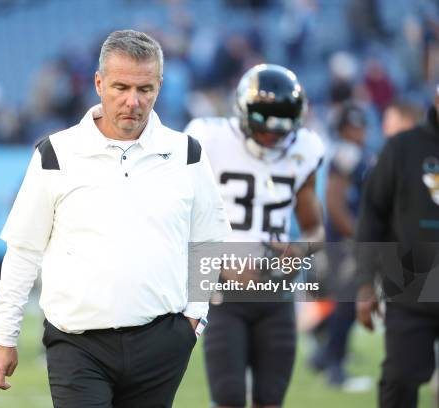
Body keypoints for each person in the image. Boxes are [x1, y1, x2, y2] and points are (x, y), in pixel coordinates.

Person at [0, 29, 231, 407]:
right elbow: (23, 250)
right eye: (120, 87)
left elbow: (209, 240)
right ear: (99, 84)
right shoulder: (57, 152)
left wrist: (194, 320)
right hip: (76, 343)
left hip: (162, 341)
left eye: (145, 89)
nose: (133, 101)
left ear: (160, 87)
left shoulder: (187, 153)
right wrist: (3, 336)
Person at [184, 64, 325, 408]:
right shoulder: (208, 139)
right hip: (222, 293)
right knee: (229, 398)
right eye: (264, 129)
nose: (272, 139)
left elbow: (315, 229)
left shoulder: (304, 149)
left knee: (270, 399)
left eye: (281, 131)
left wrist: (300, 250)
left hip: (275, 292)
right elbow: (177, 219)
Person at [356, 85, 439, 408]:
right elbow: (371, 216)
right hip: (409, 287)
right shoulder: (402, 148)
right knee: (400, 382)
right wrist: (365, 283)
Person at [311, 104, 373, 387]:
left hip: (346, 236)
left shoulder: (353, 152)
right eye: (355, 126)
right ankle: (334, 365)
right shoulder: (347, 153)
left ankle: (323, 353)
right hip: (345, 239)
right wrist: (355, 235)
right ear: (345, 129)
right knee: (349, 300)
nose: (361, 132)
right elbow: (335, 201)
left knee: (348, 299)